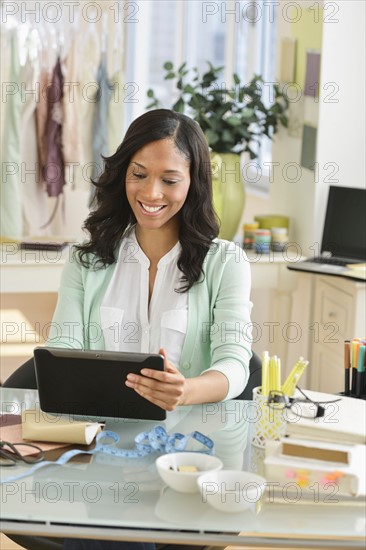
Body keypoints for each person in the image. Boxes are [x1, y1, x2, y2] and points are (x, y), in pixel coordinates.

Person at [46, 108, 252, 550]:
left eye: (170, 179)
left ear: (193, 184)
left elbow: (235, 364)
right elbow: (62, 346)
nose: (151, 192)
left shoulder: (225, 262)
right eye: (138, 174)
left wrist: (187, 390)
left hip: (188, 457)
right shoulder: (86, 260)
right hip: (102, 454)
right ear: (122, 174)